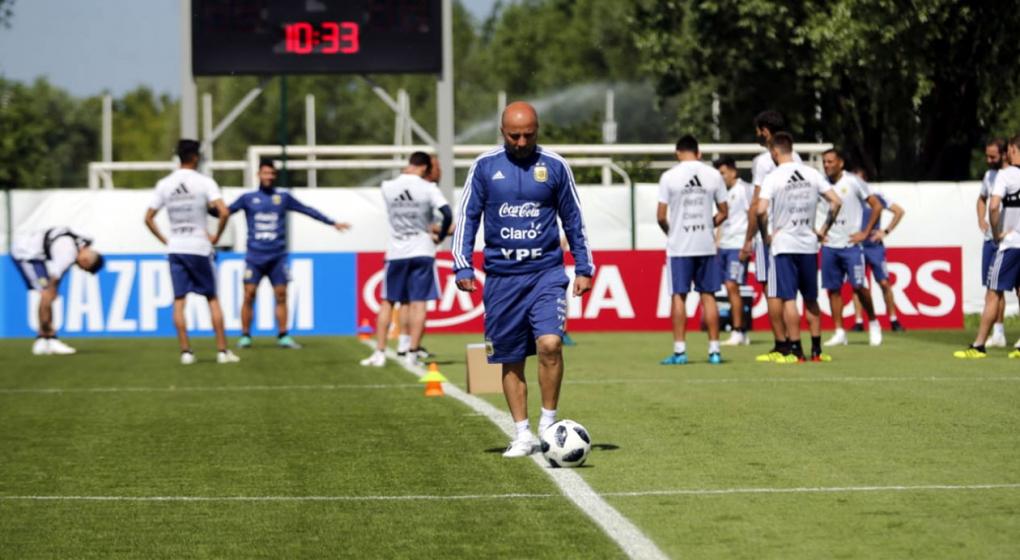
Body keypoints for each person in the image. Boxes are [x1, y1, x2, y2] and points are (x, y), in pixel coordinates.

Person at [453, 101, 594, 458]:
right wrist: (462, 265)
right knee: (511, 358)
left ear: (537, 130)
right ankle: (522, 434)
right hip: (502, 278)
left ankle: (548, 425)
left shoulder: (555, 166)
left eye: (528, 135)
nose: (521, 142)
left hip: (546, 274)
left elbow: (573, 219)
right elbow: (467, 217)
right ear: (502, 132)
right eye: (514, 136)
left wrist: (583, 266)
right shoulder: (484, 167)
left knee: (550, 344)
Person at [229, 158, 350, 349]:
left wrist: (332, 222)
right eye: (265, 173)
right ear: (258, 174)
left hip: (277, 257)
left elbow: (307, 210)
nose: (269, 176)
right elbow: (225, 212)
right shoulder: (247, 198)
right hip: (254, 257)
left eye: (272, 173)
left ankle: (283, 335)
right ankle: (245, 336)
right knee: (249, 294)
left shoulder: (283, 197)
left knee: (281, 294)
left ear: (275, 176)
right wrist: (207, 209)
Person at [144, 139, 239, 365]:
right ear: (196, 157)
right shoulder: (204, 182)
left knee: (179, 300)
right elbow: (224, 212)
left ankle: (186, 352)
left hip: (176, 247)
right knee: (212, 298)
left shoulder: (165, 184)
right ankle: (222, 351)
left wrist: (166, 240)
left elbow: (148, 218)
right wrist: (216, 236)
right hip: (199, 247)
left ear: (178, 156)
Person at [361, 151, 452, 367]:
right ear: (425, 167)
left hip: (396, 251)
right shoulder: (428, 188)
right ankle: (412, 352)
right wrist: (440, 236)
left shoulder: (387, 186)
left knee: (388, 302)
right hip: (422, 250)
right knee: (418, 304)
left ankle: (379, 352)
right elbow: (447, 213)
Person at [757, 132, 842, 362]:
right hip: (808, 244)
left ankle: (796, 351)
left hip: (784, 244)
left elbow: (760, 210)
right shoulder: (812, 173)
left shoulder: (773, 177)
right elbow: (836, 201)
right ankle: (817, 351)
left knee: (788, 299)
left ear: (775, 152)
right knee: (811, 299)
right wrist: (823, 229)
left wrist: (765, 235)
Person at [657, 135, 729, 365]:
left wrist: (672, 232)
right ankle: (714, 351)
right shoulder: (713, 174)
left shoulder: (669, 176)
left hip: (679, 246)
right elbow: (724, 211)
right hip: (705, 244)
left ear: (678, 153)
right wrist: (708, 225)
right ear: (699, 153)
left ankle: (680, 351)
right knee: (708, 296)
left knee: (679, 296)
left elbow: (661, 216)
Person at [741, 110, 802, 362]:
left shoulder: (763, 161)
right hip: (794, 232)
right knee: (789, 292)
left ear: (765, 131)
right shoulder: (796, 158)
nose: (757, 134)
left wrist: (748, 239)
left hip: (769, 234)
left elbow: (757, 203)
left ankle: (782, 345)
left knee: (772, 291)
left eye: (758, 130)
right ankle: (797, 344)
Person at [955, 136, 1020, 359]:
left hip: (1009, 244)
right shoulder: (994, 175)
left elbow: (993, 206)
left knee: (992, 292)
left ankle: (979, 345)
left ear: (1012, 150)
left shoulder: (1005, 175)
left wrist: (997, 231)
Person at [819, 149, 884, 347]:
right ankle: (839, 331)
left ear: (841, 163)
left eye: (830, 161)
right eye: (824, 162)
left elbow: (876, 206)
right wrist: (818, 232)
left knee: (859, 286)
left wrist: (865, 232)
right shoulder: (820, 184)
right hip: (830, 245)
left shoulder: (853, 182)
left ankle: (873, 322)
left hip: (851, 245)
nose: (826, 165)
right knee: (833, 289)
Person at [11, 227, 104, 355]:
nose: (80, 268)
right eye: (84, 268)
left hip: (34, 251)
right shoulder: (68, 253)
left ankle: (44, 339)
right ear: (86, 261)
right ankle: (48, 337)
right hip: (25, 254)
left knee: (48, 294)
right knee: (46, 293)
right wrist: (53, 291)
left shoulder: (82, 241)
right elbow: (54, 280)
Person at [850, 168, 906, 332]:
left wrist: (885, 231)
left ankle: (893, 320)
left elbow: (899, 211)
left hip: (874, 246)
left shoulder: (876, 195)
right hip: (857, 246)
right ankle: (859, 321)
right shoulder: (850, 197)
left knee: (884, 282)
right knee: (858, 284)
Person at [714, 156, 753, 346]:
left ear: (733, 172)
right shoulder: (721, 193)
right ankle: (742, 331)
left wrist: (748, 242)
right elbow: (722, 220)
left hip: (738, 245)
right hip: (723, 246)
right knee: (729, 289)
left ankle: (737, 331)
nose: (720, 177)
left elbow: (752, 215)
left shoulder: (744, 189)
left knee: (732, 286)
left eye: (722, 173)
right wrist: (716, 243)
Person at [976, 138, 1008, 346]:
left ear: (1004, 154)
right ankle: (998, 333)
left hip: (1009, 240)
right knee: (993, 288)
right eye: (987, 156)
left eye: (992, 157)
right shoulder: (989, 176)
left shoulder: (1013, 176)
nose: (988, 160)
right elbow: (982, 199)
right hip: (991, 240)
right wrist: (981, 219)